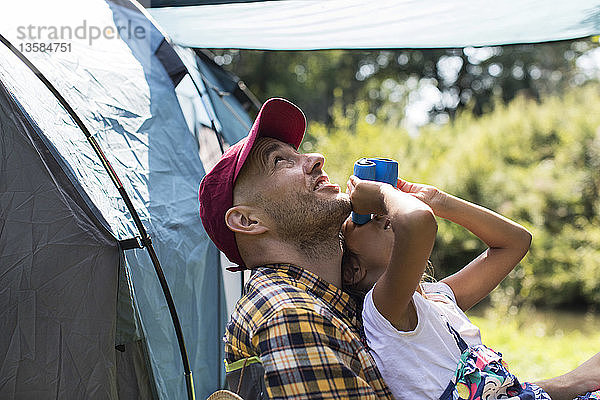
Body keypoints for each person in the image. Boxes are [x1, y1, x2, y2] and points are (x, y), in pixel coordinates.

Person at [199, 98, 394, 399]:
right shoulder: (289, 315)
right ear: (248, 220)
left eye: (298, 153)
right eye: (279, 161)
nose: (316, 158)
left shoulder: (341, 299)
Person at [341, 174, 600, 400]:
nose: (382, 216)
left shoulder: (437, 298)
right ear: (354, 270)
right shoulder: (381, 312)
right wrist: (383, 193)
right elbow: (417, 222)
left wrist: (436, 199)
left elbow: (515, 242)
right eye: (360, 220)